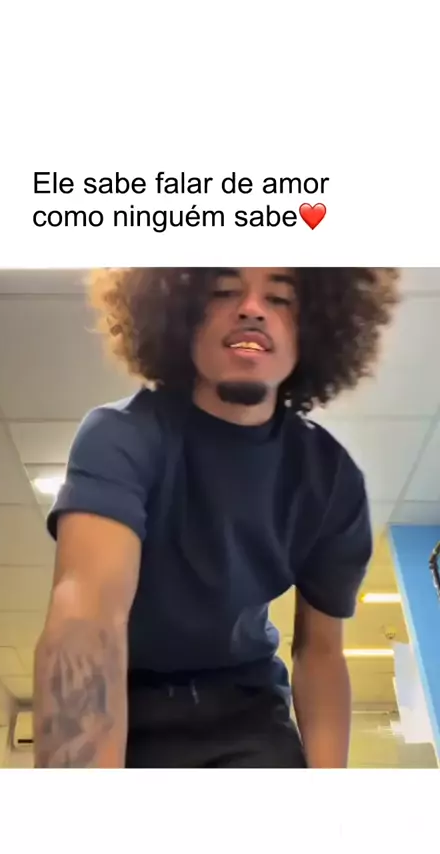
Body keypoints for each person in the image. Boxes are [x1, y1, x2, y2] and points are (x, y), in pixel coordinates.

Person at [34, 267, 399, 768]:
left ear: (316, 327)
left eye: (280, 298)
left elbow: (320, 653)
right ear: (180, 315)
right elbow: (87, 619)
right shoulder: (121, 437)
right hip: (128, 703)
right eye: (224, 291)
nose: (252, 309)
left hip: (249, 714)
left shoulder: (331, 480)